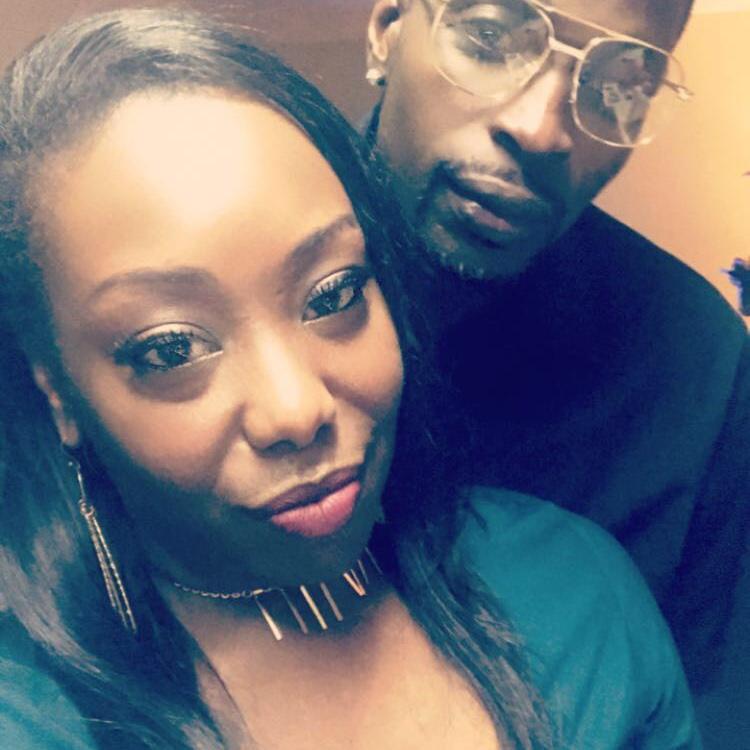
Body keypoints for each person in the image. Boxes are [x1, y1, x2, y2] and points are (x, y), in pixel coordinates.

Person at [0, 8, 700, 750]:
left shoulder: (580, 598)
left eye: (333, 295)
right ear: (55, 391)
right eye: (172, 348)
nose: (297, 409)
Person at [364, 0, 750, 701]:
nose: (541, 130)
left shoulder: (698, 367)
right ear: (388, 30)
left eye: (619, 85)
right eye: (489, 38)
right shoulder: (213, 272)